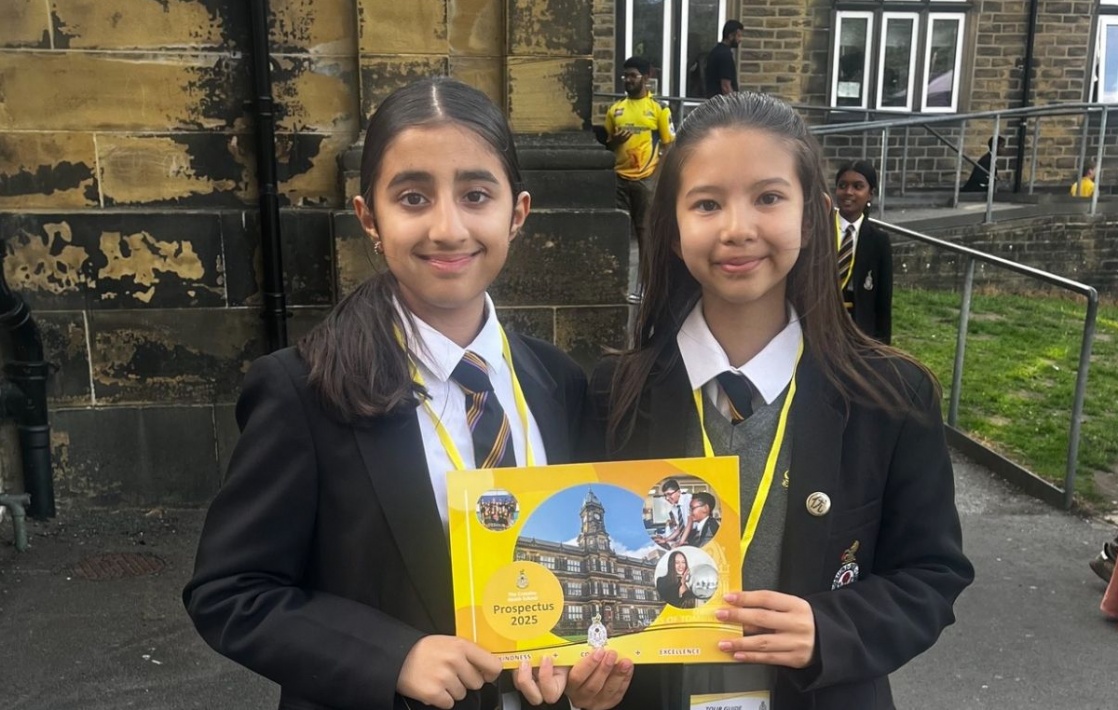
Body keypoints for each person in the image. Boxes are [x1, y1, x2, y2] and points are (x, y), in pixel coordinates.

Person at [182, 78, 631, 710]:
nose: (447, 228)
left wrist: (586, 670)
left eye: (476, 195)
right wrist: (391, 656)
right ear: (370, 217)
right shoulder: (303, 390)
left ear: (517, 213)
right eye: (413, 197)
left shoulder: (560, 382)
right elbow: (231, 591)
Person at [586, 92, 974, 709]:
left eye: (768, 198)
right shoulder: (614, 392)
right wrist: (583, 676)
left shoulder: (891, 396)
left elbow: (932, 574)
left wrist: (831, 628)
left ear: (813, 216)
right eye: (707, 203)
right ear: (673, 228)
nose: (738, 229)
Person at [606, 56, 676, 304]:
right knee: (617, 233)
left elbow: (669, 145)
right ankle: (616, 285)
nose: (628, 80)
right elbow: (608, 144)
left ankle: (645, 286)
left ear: (646, 78)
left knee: (645, 234)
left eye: (633, 75)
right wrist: (615, 141)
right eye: (625, 76)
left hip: (646, 180)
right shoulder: (615, 110)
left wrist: (658, 177)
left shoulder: (658, 109)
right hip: (619, 179)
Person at [834, 160, 893, 344]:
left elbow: (882, 303)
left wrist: (882, 349)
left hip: (858, 333)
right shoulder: (817, 231)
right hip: (817, 327)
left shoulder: (878, 241)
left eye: (857, 187)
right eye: (842, 186)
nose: (848, 192)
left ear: (870, 194)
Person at [704, 20, 744, 99]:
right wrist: (735, 103)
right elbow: (726, 87)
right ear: (730, 36)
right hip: (721, 103)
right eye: (738, 36)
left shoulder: (716, 51)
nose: (740, 39)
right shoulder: (725, 55)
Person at [652, 478, 692, 549]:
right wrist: (665, 540)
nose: (667, 498)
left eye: (669, 494)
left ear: (679, 492)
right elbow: (679, 528)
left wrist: (680, 542)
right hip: (687, 538)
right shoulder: (674, 508)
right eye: (665, 495)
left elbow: (690, 523)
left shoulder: (689, 499)